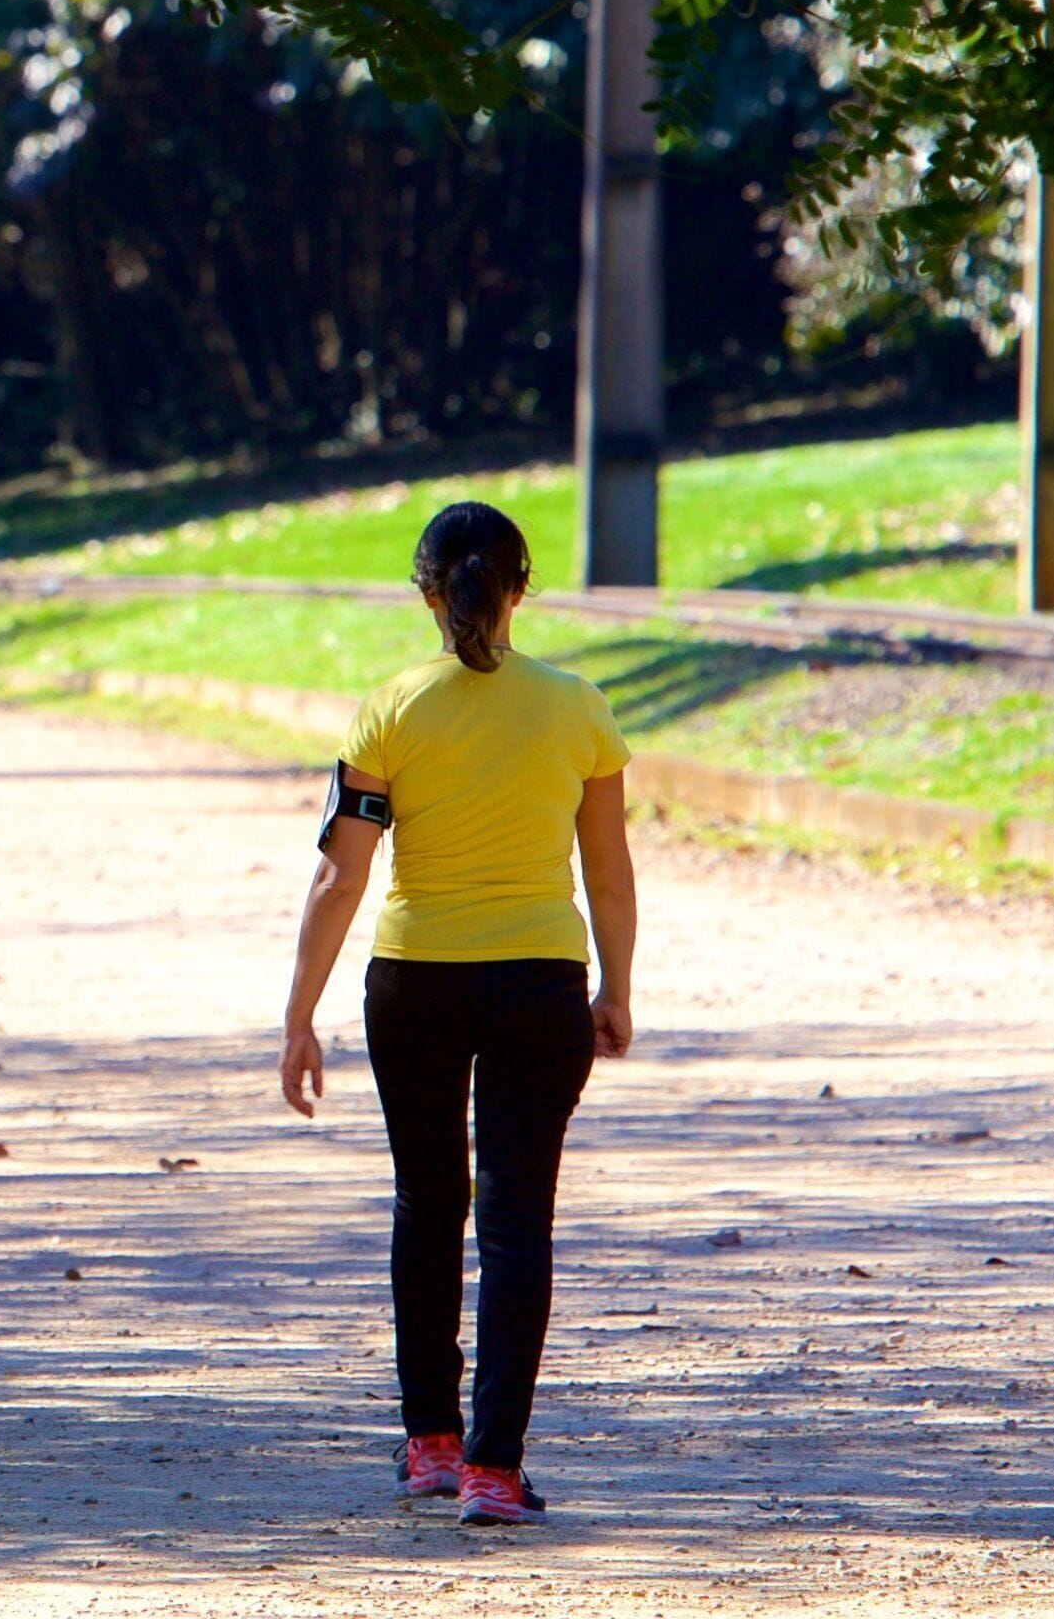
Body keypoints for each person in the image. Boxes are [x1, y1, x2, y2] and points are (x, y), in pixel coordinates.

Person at [278, 501, 637, 1529]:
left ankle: (431, 1442)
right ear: (520, 590)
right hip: (540, 981)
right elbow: (609, 873)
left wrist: (299, 1014)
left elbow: (340, 876)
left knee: (427, 1203)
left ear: (428, 594)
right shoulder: (578, 708)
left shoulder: (390, 709)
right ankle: (494, 1468)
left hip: (416, 982)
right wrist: (615, 988)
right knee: (518, 1219)